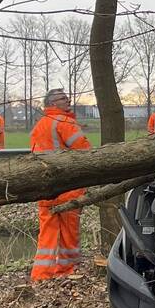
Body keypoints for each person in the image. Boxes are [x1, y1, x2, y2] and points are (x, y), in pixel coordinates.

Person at [30, 89, 91, 281]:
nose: (68, 100)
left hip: (45, 189)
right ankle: (67, 270)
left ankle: (41, 275)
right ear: (54, 103)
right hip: (67, 188)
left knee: (46, 234)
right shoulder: (65, 122)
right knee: (69, 234)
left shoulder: (39, 125)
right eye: (64, 98)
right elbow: (85, 153)